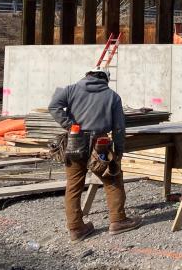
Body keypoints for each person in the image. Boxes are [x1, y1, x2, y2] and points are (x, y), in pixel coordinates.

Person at [48, 69, 141, 241]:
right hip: (100, 145)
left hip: (75, 141)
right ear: (106, 79)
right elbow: (119, 128)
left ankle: (76, 229)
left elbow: (53, 106)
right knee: (112, 180)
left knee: (74, 186)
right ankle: (118, 220)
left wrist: (70, 125)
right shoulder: (112, 96)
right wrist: (119, 151)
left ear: (87, 76)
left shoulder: (71, 89)